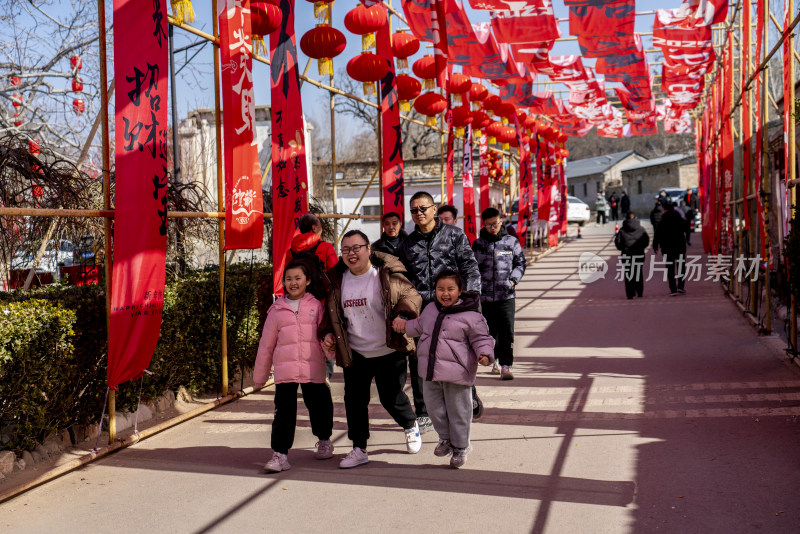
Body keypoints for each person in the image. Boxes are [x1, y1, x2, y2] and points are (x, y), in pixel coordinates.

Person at [322, 230, 423, 469]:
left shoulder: (385, 274)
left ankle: (410, 425)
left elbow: (411, 295)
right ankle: (359, 448)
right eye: (345, 250)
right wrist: (327, 333)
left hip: (388, 348)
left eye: (356, 248)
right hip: (355, 352)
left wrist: (402, 314)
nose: (351, 254)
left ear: (368, 249)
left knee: (391, 397)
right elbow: (330, 312)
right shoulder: (336, 279)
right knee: (354, 401)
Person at [392, 269, 494, 468]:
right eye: (440, 289)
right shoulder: (430, 309)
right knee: (434, 409)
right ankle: (445, 439)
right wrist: (404, 325)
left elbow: (482, 338)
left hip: (458, 374)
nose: (445, 293)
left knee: (459, 411)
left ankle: (461, 447)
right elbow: (420, 325)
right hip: (430, 372)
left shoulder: (471, 316)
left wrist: (485, 354)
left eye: (450, 289)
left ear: (460, 290)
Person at [398, 191, 485, 419]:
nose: (419, 213)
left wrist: (472, 296)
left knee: (458, 354)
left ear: (434, 209)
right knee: (421, 360)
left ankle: (469, 394)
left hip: (452, 306)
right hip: (423, 310)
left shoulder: (454, 235)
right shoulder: (407, 243)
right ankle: (424, 412)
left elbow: (469, 265)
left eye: (423, 208)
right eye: (414, 210)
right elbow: (402, 278)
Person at [254, 260, 335, 473]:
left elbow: (323, 334)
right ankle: (280, 454)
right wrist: (260, 377)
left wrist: (331, 351)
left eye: (298, 278)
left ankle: (324, 439)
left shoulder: (316, 306)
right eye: (288, 279)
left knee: (319, 406)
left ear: (308, 281)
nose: (293, 283)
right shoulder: (277, 310)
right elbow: (266, 345)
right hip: (285, 371)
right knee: (284, 413)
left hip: (313, 368)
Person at [471, 207, 525, 380]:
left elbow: (520, 263)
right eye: (488, 225)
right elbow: (472, 268)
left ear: (501, 222)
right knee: (489, 331)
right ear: (483, 224)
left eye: (495, 223)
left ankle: (506, 366)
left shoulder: (511, 242)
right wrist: (476, 288)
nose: (492, 227)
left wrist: (512, 280)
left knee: (507, 330)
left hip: (506, 296)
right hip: (485, 297)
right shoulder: (478, 244)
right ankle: (493, 360)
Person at [285, 213, 339, 379]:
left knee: (302, 339)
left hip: (299, 304)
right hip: (322, 302)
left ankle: (303, 374)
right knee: (325, 337)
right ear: (315, 227)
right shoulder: (325, 248)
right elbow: (336, 276)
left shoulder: (291, 252)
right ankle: (325, 376)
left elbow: (288, 278)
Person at [653, 202, 689, 296]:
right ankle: (681, 287)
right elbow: (686, 228)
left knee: (670, 268)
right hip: (680, 245)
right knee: (681, 266)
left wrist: (655, 246)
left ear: (665, 209)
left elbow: (657, 234)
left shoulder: (662, 220)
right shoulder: (679, 218)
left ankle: (673, 289)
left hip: (667, 247)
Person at [614, 212, 650, 300]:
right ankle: (640, 292)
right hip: (639, 254)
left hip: (626, 255)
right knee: (638, 272)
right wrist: (641, 247)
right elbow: (646, 241)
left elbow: (618, 243)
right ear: (635, 218)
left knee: (628, 274)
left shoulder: (622, 230)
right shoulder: (641, 229)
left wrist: (622, 248)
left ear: (626, 219)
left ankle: (630, 294)